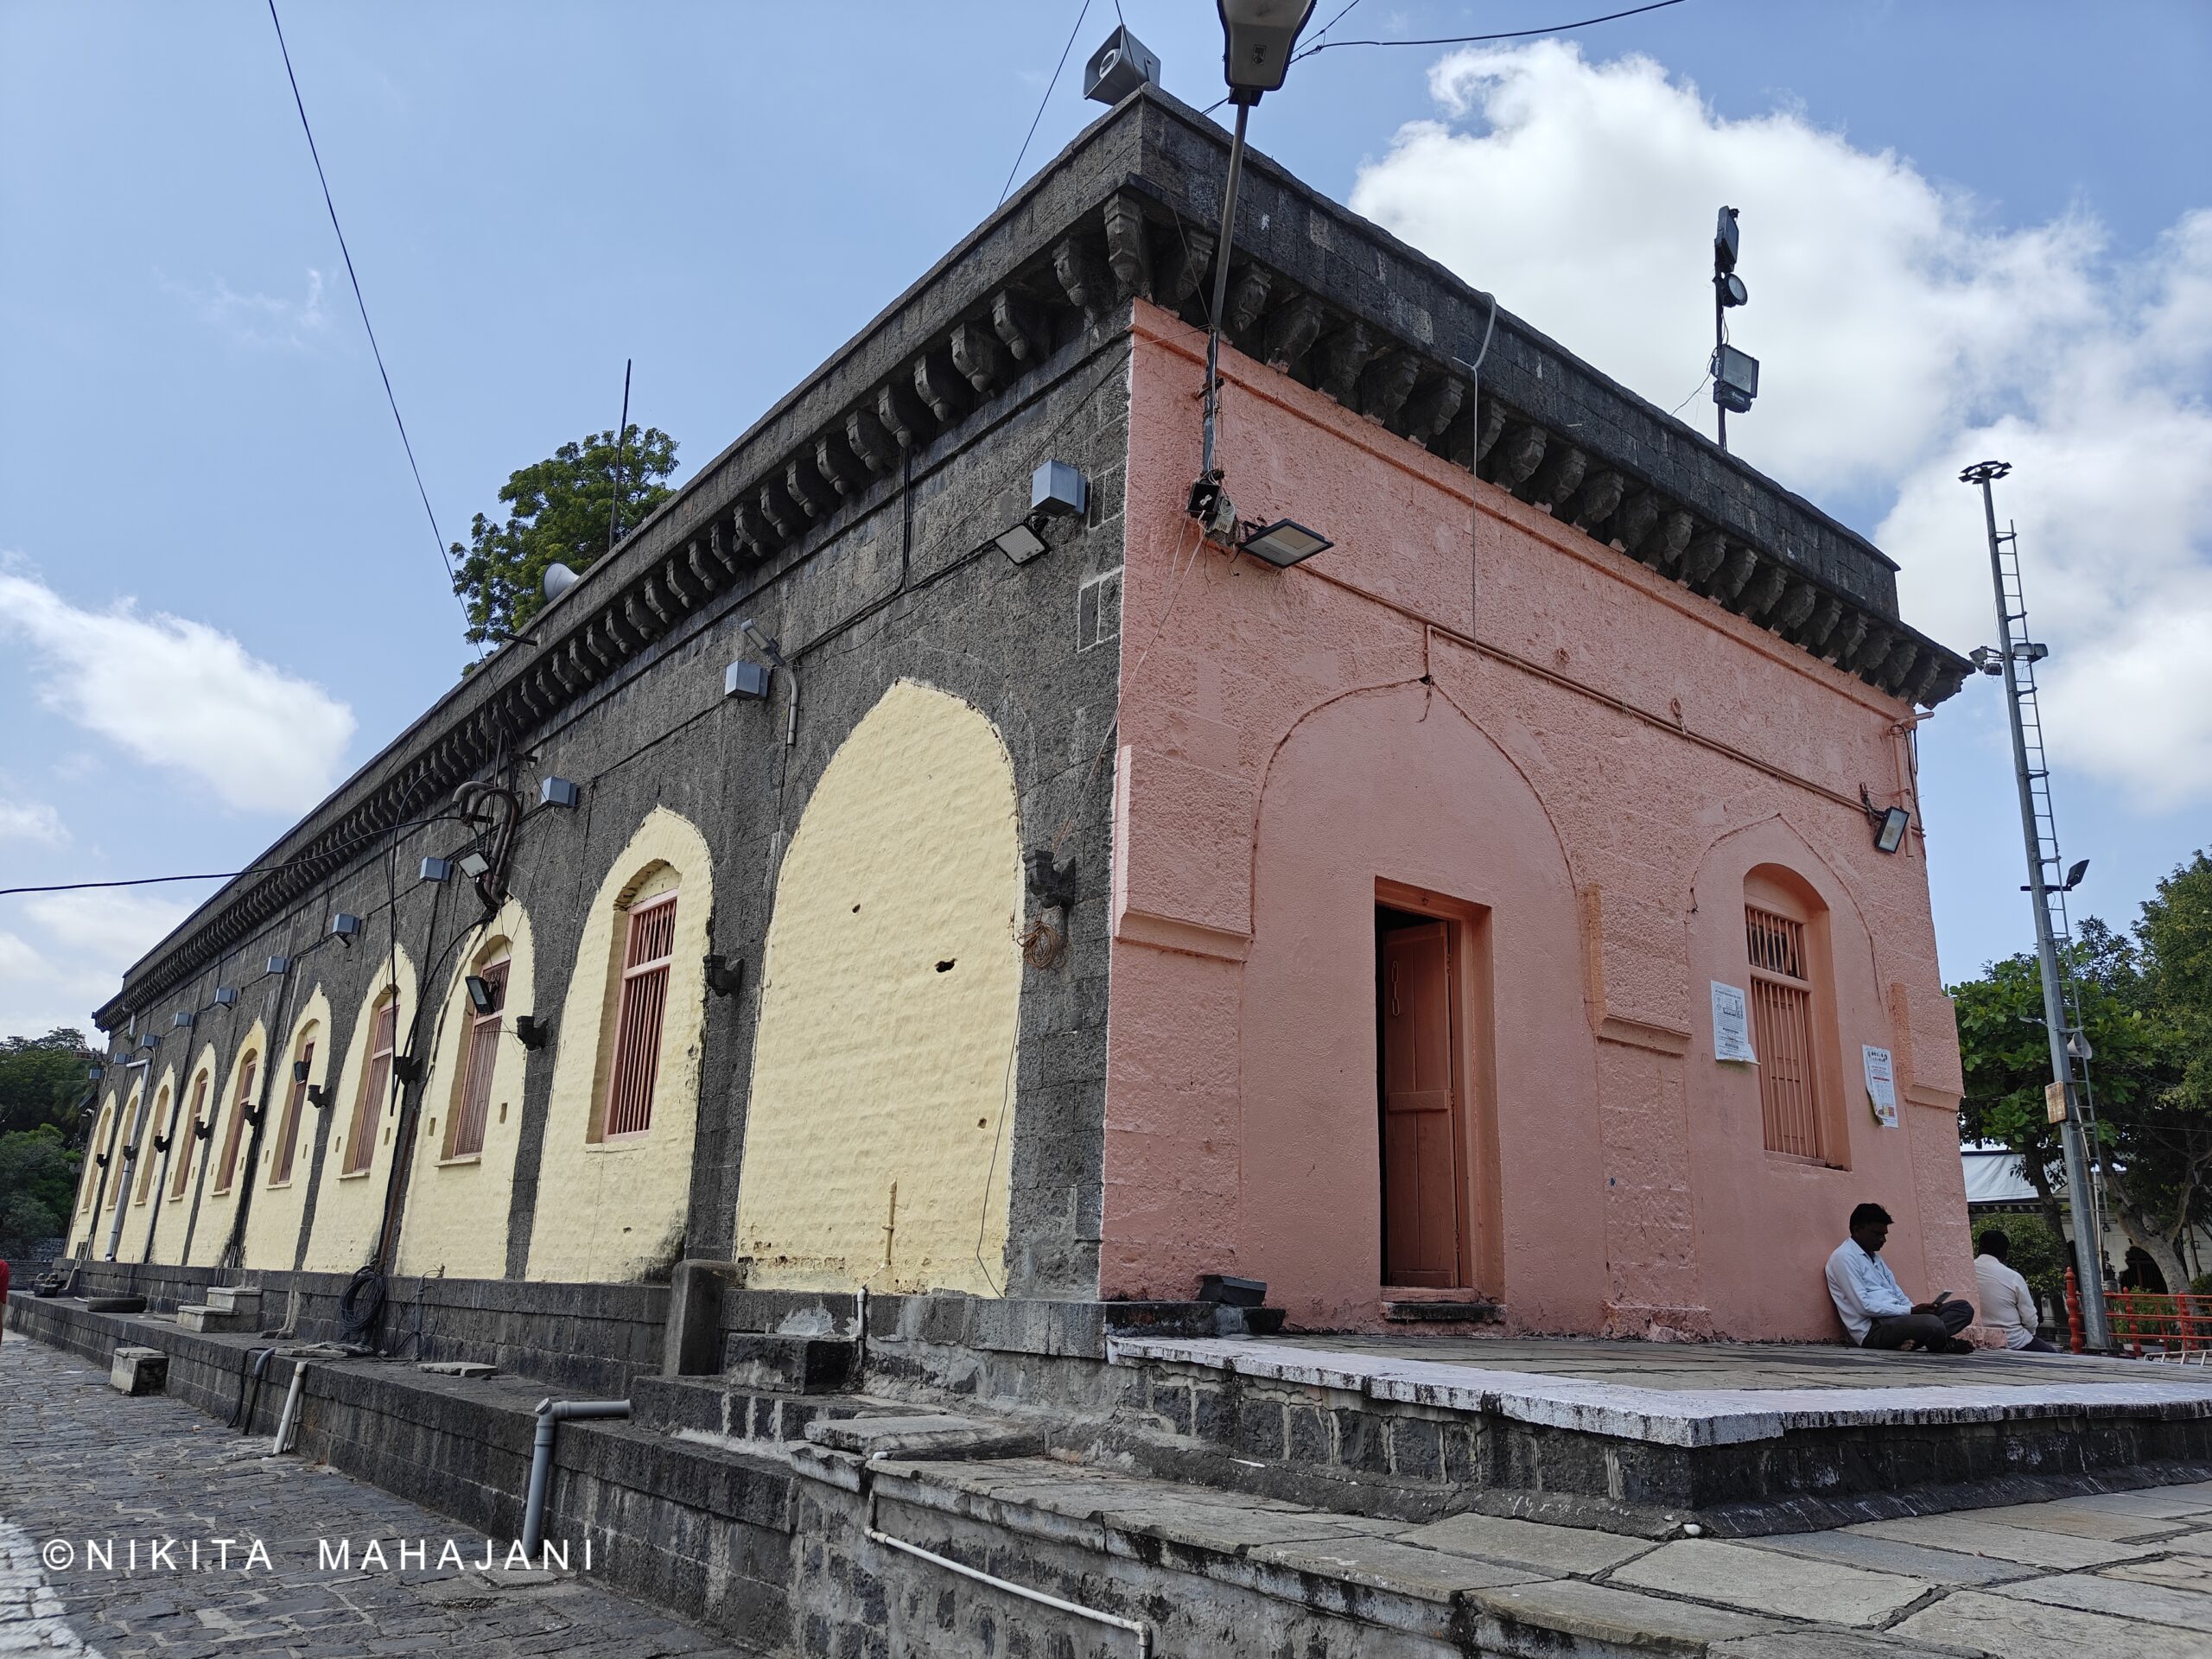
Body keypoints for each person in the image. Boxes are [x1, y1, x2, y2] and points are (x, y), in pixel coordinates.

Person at [1825, 1202, 1975, 1352]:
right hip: (1874, 1329)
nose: (1883, 1240)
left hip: (1898, 1318)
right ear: (1857, 1230)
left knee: (1963, 1308)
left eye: (1884, 1234)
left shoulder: (1875, 1258)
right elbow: (1863, 1307)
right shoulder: (1844, 1258)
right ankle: (1941, 1344)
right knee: (1932, 1323)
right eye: (1877, 1234)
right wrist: (1911, 1311)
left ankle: (1925, 1338)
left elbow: (1896, 1293)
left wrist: (1916, 1311)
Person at [1974, 1230, 2058, 1352]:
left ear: (1978, 1248)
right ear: (2005, 1254)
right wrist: (2030, 1333)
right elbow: (2030, 1319)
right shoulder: (2013, 1277)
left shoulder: (1966, 1273)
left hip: (1977, 1337)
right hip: (2013, 1339)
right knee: (2052, 1354)